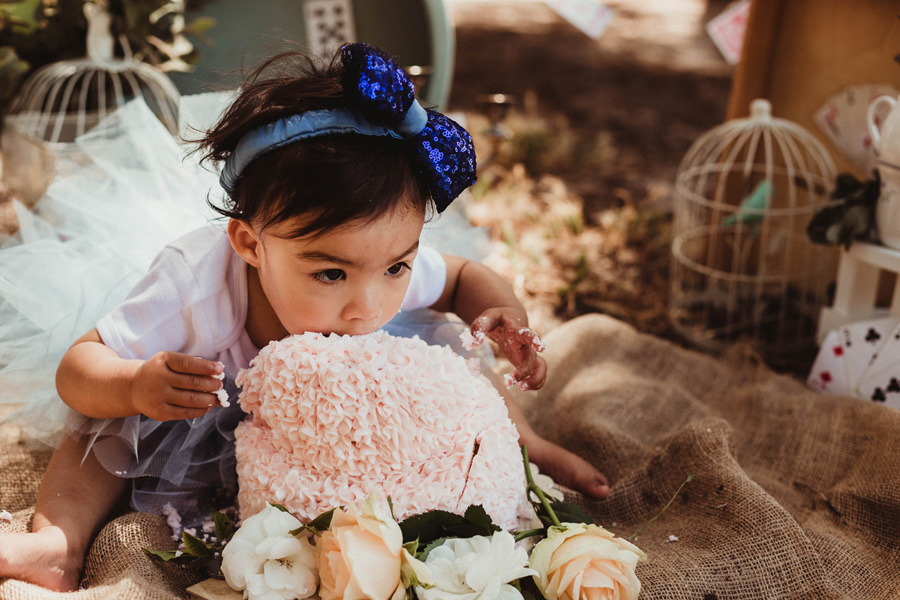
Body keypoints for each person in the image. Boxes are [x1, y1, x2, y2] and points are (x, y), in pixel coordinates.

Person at [0, 43, 609, 592]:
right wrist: (135, 384)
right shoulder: (194, 287)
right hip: (210, 408)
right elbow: (77, 369)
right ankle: (60, 543)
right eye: (330, 275)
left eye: (396, 268)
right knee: (100, 428)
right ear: (249, 245)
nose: (367, 308)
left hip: (355, 411)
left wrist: (501, 312)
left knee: (462, 362)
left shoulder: (373, 265)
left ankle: (527, 448)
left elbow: (462, 278)